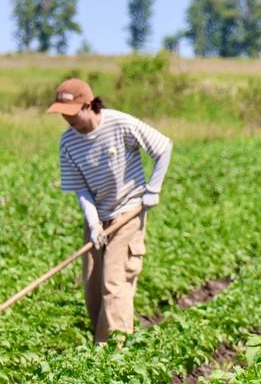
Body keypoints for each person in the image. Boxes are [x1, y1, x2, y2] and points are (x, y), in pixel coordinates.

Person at [50, 77, 173, 344]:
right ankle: (100, 344)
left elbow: (163, 147)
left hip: (128, 211)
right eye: (62, 114)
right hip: (98, 216)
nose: (67, 119)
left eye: (72, 113)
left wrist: (153, 188)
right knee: (93, 289)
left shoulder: (120, 124)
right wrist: (93, 224)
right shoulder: (68, 143)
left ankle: (114, 353)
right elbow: (81, 188)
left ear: (89, 104)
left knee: (114, 283)